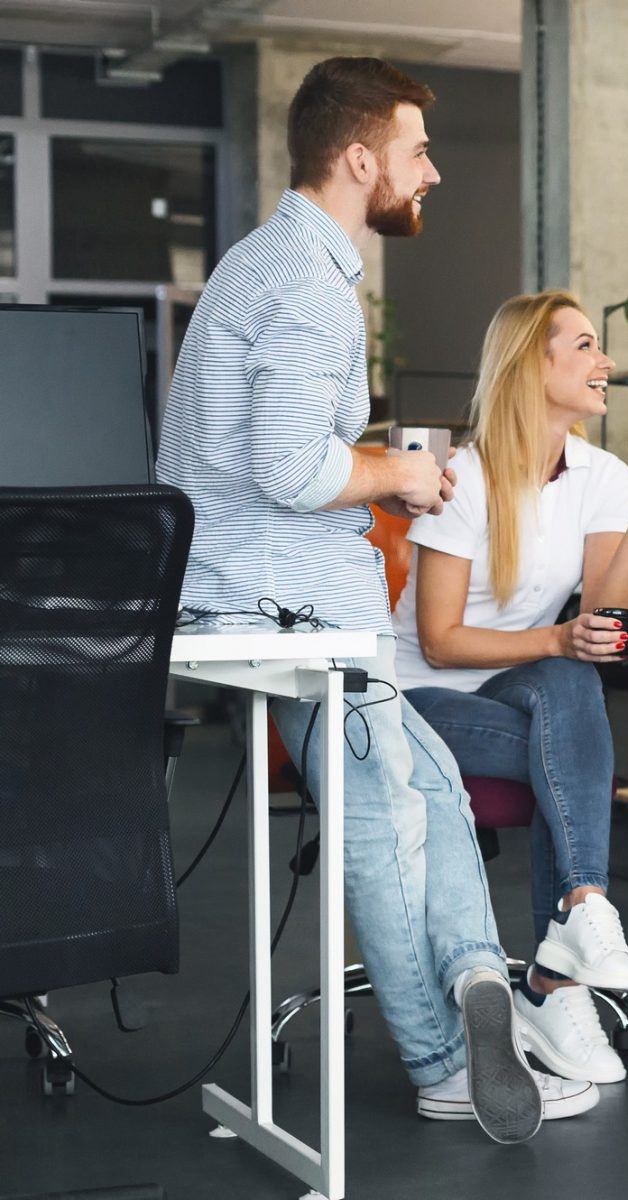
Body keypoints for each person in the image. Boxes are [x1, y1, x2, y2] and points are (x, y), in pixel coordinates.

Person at [156, 57, 590, 1142]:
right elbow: (292, 469)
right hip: (283, 605)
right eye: (416, 152)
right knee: (384, 821)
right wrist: (398, 475)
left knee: (432, 790)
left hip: (255, 591)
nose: (431, 172)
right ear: (360, 160)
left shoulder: (261, 265)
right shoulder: (311, 283)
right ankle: (447, 1060)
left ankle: (481, 985)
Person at [394, 290, 628, 1088]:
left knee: (569, 686)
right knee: (563, 737)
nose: (606, 364)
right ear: (536, 364)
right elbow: (438, 639)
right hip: (414, 700)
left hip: (513, 688)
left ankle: (575, 928)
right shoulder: (465, 475)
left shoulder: (603, 474)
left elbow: (607, 630)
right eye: (588, 346)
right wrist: (559, 637)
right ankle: (557, 977)